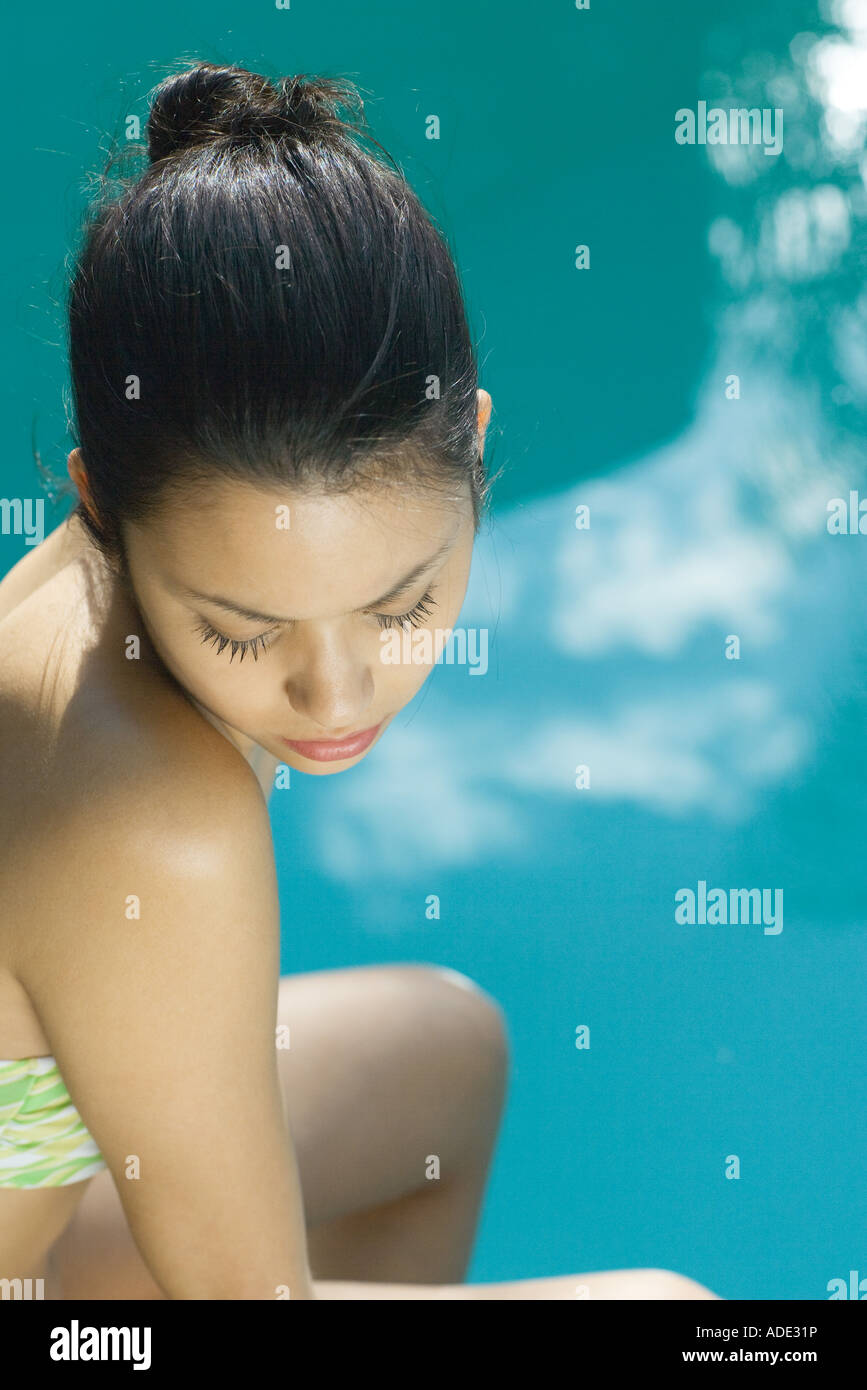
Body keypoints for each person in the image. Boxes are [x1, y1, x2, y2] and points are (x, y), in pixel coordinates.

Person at [0, 60, 719, 1300]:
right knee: (681, 1321)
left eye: (401, 605)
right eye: (241, 632)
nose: (336, 697)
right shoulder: (152, 815)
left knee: (441, 1051)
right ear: (101, 504)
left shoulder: (86, 569)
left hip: (45, 1230)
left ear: (477, 446)